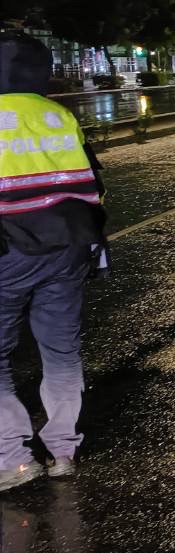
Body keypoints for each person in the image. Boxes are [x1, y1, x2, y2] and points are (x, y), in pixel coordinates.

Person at [0, 31, 107, 493]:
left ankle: (13, 458)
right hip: (68, 248)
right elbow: (91, 180)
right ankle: (62, 450)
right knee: (61, 352)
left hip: (7, 250)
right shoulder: (59, 115)